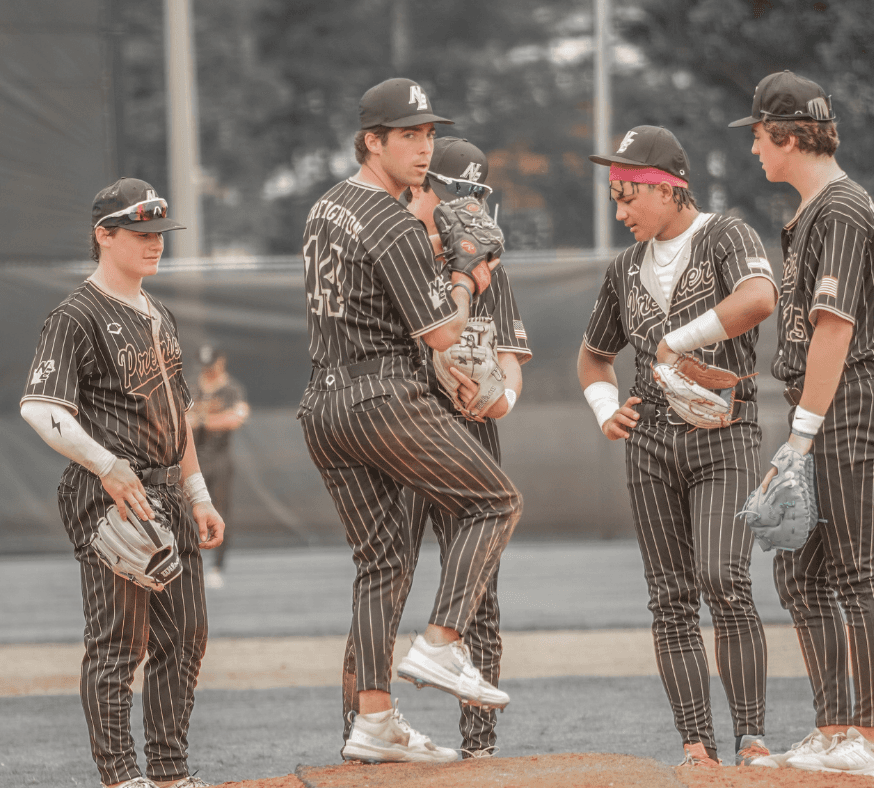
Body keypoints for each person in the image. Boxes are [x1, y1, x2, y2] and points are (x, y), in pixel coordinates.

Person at [296, 78, 522, 764]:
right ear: (373, 140)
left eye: (428, 134)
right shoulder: (392, 221)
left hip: (323, 405)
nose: (423, 148)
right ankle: (441, 645)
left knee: (381, 564)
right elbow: (443, 337)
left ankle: (372, 719)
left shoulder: (326, 206)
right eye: (408, 135)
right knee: (497, 502)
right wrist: (463, 275)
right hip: (384, 398)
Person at [576, 126, 778, 767]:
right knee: (670, 598)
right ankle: (698, 748)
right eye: (615, 195)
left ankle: (751, 739)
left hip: (725, 435)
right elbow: (593, 357)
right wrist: (606, 407)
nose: (620, 209)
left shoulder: (726, 235)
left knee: (724, 577)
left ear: (669, 185)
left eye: (629, 193)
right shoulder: (623, 269)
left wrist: (675, 342)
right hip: (653, 444)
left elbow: (758, 298)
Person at [20, 177, 224, 788]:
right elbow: (41, 407)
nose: (154, 244)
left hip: (167, 490)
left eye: (159, 233)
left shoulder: (159, 314)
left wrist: (199, 494)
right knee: (117, 642)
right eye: (140, 233)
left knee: (186, 637)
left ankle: (168, 772)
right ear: (103, 235)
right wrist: (105, 466)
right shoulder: (76, 314)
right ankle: (120, 776)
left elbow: (179, 417)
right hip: (113, 493)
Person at [730, 71, 874, 777]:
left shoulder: (840, 208)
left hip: (849, 400)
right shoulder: (811, 212)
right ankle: (835, 732)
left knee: (856, 571)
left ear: (791, 135)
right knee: (800, 574)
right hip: (821, 401)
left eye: (759, 138)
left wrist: (801, 436)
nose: (753, 152)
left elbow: (834, 330)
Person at [190, 344, 250, 589]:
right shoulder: (192, 387)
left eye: (212, 364)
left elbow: (236, 418)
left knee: (221, 510)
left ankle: (217, 566)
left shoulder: (232, 389)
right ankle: (190, 563)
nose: (208, 370)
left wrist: (203, 421)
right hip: (194, 459)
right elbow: (182, 419)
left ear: (221, 362)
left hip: (220, 459)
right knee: (185, 511)